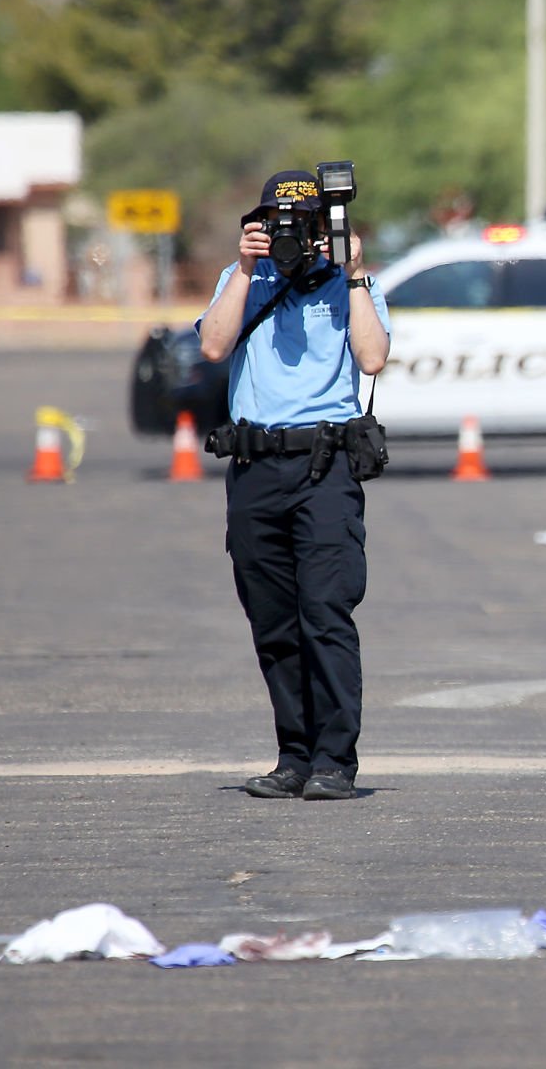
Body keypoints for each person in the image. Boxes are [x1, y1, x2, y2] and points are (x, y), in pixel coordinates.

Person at [197, 170, 392, 802]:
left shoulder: (347, 281)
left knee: (326, 613)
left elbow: (372, 358)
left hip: (325, 467)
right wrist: (245, 269)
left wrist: (355, 272)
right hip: (256, 468)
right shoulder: (242, 280)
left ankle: (336, 760)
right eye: (276, 222)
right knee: (274, 620)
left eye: (301, 224)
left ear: (321, 227)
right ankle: (294, 755)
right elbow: (214, 345)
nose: (289, 235)